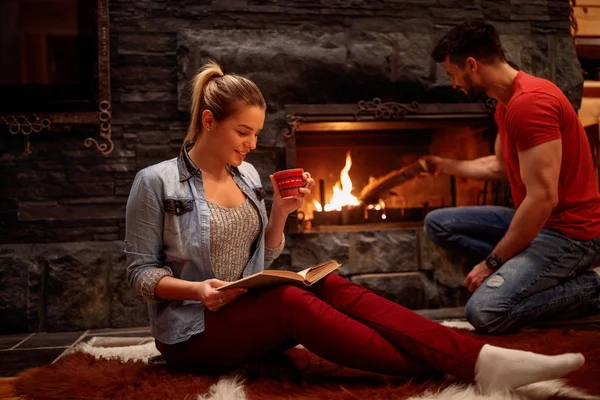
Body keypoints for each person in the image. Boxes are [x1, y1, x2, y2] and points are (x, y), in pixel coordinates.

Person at [125, 60, 585, 393]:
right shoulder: (156, 182)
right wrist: (198, 291)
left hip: (245, 311)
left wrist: (282, 211)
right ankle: (468, 366)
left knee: (332, 284)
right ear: (209, 121)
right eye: (243, 132)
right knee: (289, 300)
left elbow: (262, 257)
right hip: (192, 332)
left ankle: (478, 358)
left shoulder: (246, 177)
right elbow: (140, 273)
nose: (253, 143)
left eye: (258, 132)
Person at [423, 20, 600, 334]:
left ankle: (591, 287)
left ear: (472, 65)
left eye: (453, 74)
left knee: (485, 311)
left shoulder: (530, 104)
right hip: (541, 223)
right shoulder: (506, 104)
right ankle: (524, 273)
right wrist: (444, 165)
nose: (454, 85)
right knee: (438, 223)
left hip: (572, 235)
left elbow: (544, 198)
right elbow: (500, 168)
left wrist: (491, 262)